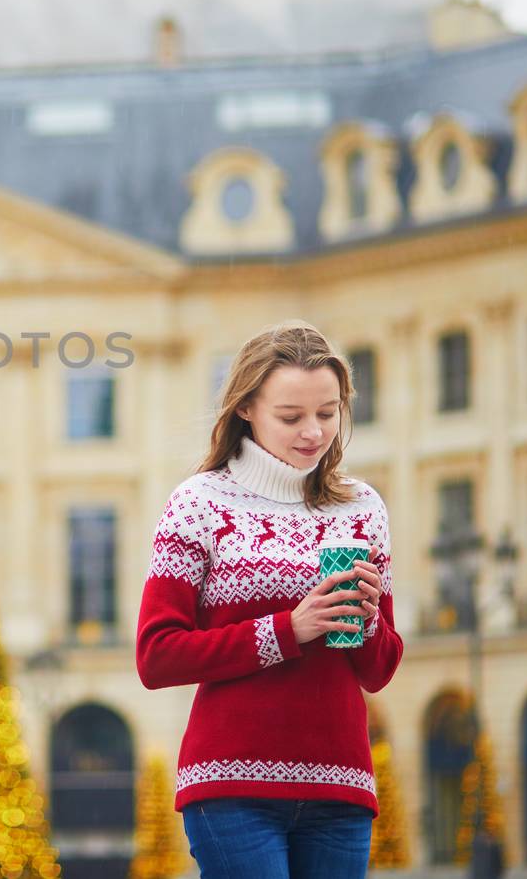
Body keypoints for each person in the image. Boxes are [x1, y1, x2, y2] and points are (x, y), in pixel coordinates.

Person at [135, 320, 403, 879]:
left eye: (327, 413)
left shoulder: (363, 509)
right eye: (291, 417)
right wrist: (289, 629)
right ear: (246, 409)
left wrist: (370, 619)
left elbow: (377, 671)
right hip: (231, 784)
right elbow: (157, 656)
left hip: (341, 784)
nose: (313, 432)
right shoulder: (199, 504)